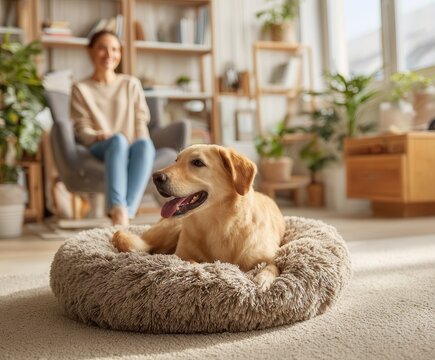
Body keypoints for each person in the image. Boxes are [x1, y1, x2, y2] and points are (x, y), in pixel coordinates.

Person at [70, 30, 155, 226]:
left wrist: (142, 143)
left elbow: (140, 121)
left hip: (131, 145)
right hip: (101, 146)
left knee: (146, 144)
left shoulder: (131, 84)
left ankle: (124, 214)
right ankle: (118, 210)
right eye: (102, 48)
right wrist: (99, 135)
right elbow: (81, 129)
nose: (109, 54)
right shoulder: (80, 88)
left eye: (115, 49)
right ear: (90, 51)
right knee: (117, 141)